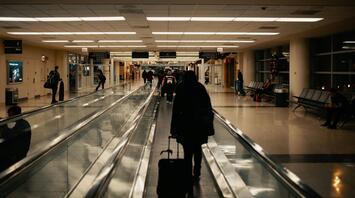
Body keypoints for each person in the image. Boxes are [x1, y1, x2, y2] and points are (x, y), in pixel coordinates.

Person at [170, 71, 214, 195]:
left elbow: (176, 109)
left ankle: (188, 173)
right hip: (199, 125)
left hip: (185, 126)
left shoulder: (181, 87)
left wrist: (173, 129)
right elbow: (208, 107)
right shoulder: (200, 87)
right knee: (197, 148)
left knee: (187, 151)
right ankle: (197, 171)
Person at [0, 105, 31, 171]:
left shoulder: (21, 126)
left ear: (14, 115)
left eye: (10, 115)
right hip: (18, 152)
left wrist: (4, 126)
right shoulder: (24, 123)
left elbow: (9, 136)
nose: (8, 117)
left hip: (16, 156)